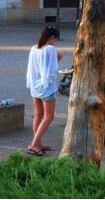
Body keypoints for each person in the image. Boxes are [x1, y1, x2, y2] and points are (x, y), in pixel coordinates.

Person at [25, 26, 63, 156]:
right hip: (47, 87)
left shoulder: (34, 48)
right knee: (49, 116)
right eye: (55, 39)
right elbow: (55, 63)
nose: (55, 42)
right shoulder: (50, 49)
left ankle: (38, 142)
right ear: (51, 38)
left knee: (38, 115)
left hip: (35, 86)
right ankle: (34, 144)